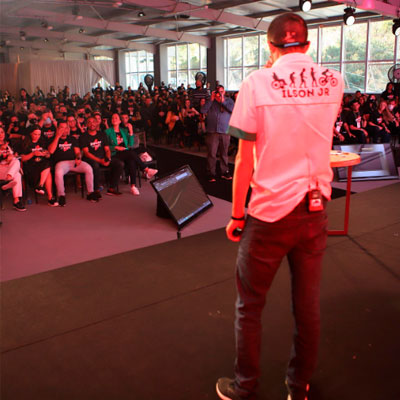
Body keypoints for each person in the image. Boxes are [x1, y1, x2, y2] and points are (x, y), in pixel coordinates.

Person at [216, 13, 343, 400]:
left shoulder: (256, 83)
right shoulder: (334, 81)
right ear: (306, 44)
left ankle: (246, 387)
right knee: (307, 305)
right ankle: (298, 386)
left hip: (270, 214)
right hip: (315, 208)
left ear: (270, 47)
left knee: (249, 306)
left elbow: (243, 160)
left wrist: (238, 214)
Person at [48, 121, 97, 206]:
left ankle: (90, 193)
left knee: (88, 168)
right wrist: (57, 137)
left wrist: (78, 157)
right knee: (58, 172)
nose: (64, 130)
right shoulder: (52, 139)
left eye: (66, 128)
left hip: (73, 161)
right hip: (61, 163)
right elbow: (51, 151)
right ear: (58, 129)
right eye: (62, 128)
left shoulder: (72, 139)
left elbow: (78, 152)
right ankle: (61, 195)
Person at [201, 85, 234, 182]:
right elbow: (203, 110)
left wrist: (222, 100)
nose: (220, 93)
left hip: (225, 131)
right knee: (212, 153)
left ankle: (225, 171)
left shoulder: (229, 101)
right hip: (212, 131)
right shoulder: (210, 101)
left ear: (225, 92)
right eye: (218, 92)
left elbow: (232, 110)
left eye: (222, 91)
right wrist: (211, 99)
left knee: (224, 153)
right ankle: (211, 173)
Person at [0, 127, 26, 211]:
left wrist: (12, 156)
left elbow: (15, 154)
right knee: (17, 174)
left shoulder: (8, 143)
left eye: (2, 132)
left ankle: (16, 199)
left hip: (9, 168)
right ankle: (16, 201)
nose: (1, 135)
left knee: (16, 162)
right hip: (1, 168)